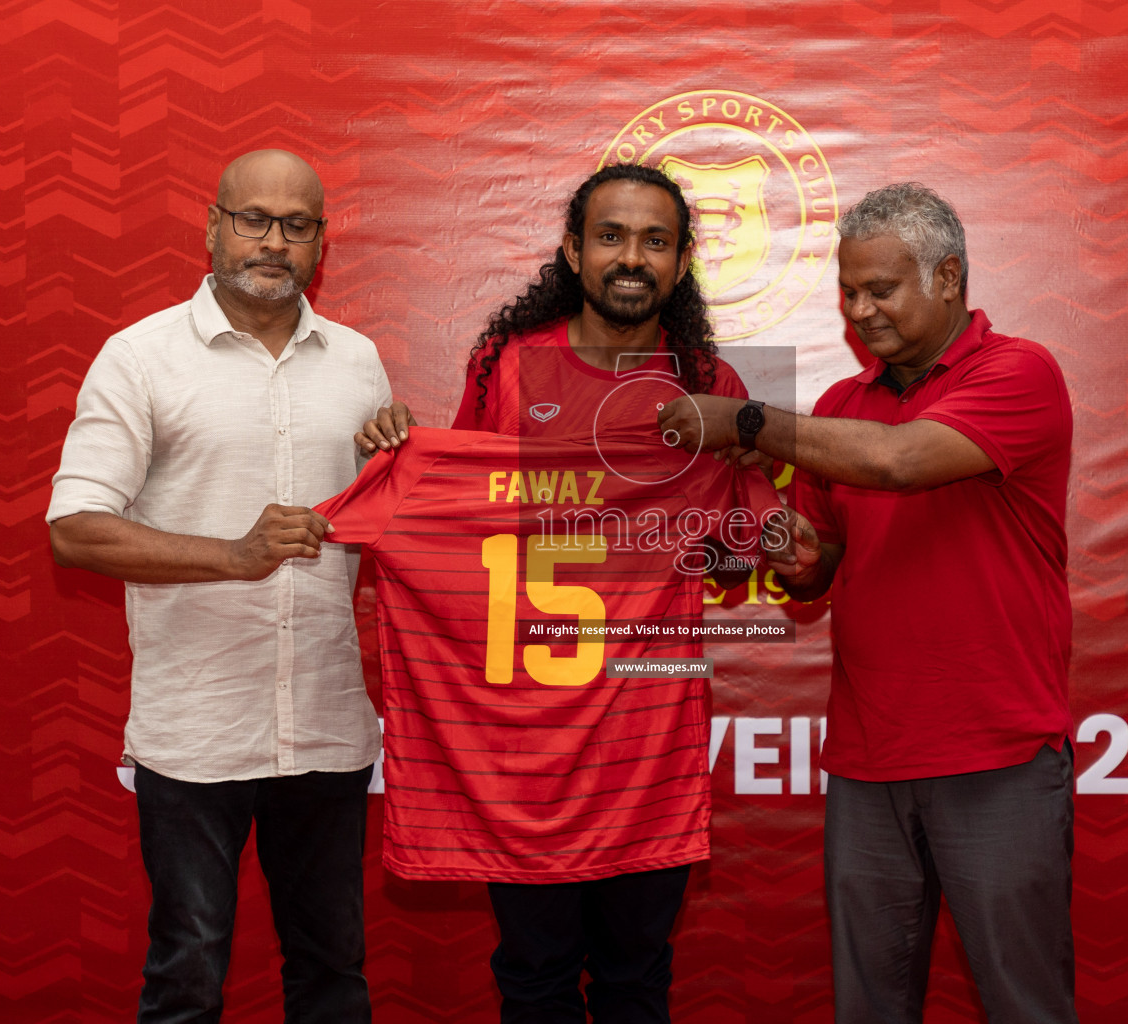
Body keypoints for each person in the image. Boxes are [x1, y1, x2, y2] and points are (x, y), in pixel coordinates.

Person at [658, 182, 1078, 1024]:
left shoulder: (1020, 372)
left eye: (880, 289)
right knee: (869, 1009)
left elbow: (899, 462)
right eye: (848, 291)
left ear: (949, 276)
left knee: (1025, 1005)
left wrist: (741, 421)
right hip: (866, 760)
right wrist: (798, 557)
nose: (859, 310)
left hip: (993, 754)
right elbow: (820, 570)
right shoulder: (842, 409)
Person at [358, 163, 769, 1024]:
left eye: (656, 241)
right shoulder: (509, 365)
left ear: (683, 260)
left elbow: (738, 564)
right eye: (611, 236)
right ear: (573, 251)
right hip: (525, 743)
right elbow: (468, 533)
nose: (632, 258)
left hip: (644, 744)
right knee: (536, 976)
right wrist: (397, 466)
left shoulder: (714, 385)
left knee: (635, 979)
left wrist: (751, 483)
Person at [46, 149, 390, 1023]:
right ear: (213, 224)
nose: (273, 242)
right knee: (187, 976)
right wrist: (233, 556)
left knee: (332, 973)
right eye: (253, 220)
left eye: (297, 225)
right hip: (195, 730)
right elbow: (74, 528)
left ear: (322, 241)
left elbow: (382, 522)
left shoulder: (358, 363)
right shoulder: (140, 357)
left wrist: (400, 467)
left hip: (325, 724)